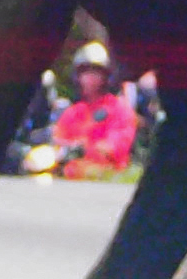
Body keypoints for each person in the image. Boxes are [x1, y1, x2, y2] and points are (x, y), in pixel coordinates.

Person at [47, 40, 141, 178]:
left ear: (106, 77)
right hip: (69, 179)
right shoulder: (73, 112)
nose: (89, 77)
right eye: (85, 72)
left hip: (106, 178)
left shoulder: (119, 110)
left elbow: (116, 147)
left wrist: (87, 147)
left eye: (96, 72)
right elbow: (57, 142)